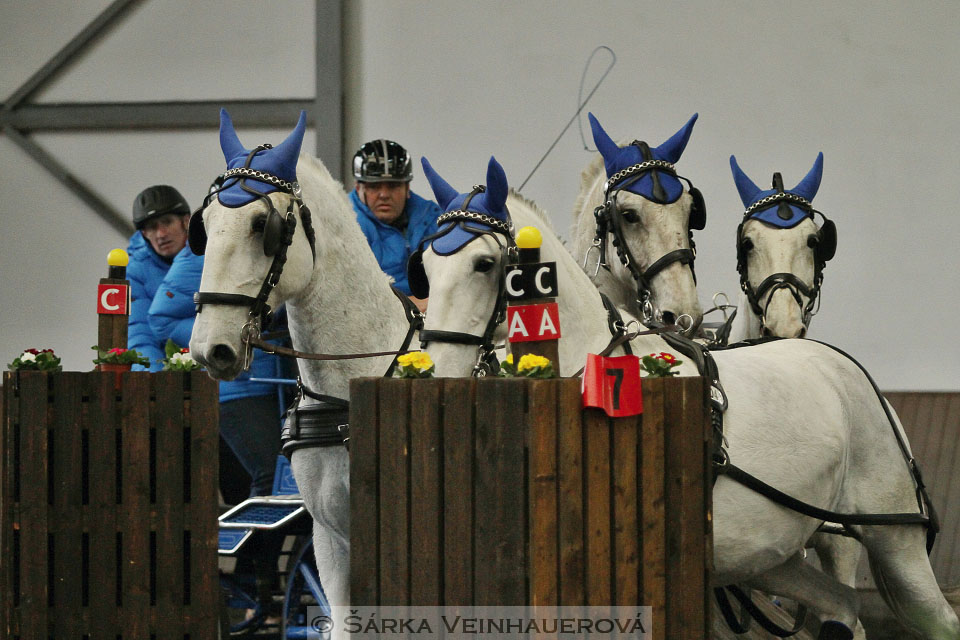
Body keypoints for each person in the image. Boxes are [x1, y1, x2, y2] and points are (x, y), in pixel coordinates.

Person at [148, 191, 288, 628]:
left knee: (280, 480)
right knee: (270, 474)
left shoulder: (261, 249)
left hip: (274, 381)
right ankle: (243, 572)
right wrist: (232, 330)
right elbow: (160, 320)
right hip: (235, 387)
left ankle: (262, 582)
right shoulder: (201, 253)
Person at [349, 139, 443, 312]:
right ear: (358, 188)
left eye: (393, 186)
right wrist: (411, 305)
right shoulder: (346, 226)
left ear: (407, 188)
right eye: (374, 186)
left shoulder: (434, 218)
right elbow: (348, 296)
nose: (384, 194)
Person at [126, 185, 192, 370]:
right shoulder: (135, 271)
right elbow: (139, 335)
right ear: (144, 234)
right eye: (152, 227)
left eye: (167, 222)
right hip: (168, 382)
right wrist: (153, 386)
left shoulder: (213, 255)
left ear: (186, 221)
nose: (161, 234)